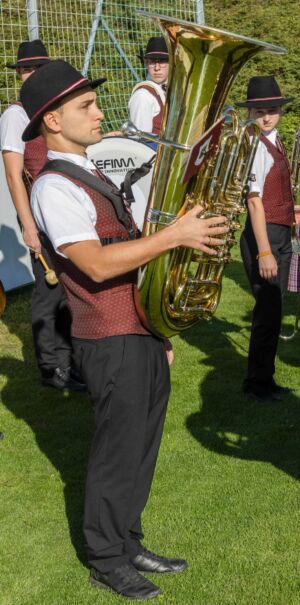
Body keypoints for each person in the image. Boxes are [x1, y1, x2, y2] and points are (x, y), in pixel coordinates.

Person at [20, 59, 228, 600]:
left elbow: (126, 254)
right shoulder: (52, 186)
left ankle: (129, 539)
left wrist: (158, 331)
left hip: (136, 332)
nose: (99, 112)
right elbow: (94, 265)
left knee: (141, 447)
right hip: (107, 338)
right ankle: (106, 558)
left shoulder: (88, 171)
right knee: (117, 453)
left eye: (95, 102)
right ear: (52, 121)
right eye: (85, 106)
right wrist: (176, 235)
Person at [0, 40, 85, 391]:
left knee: (72, 288)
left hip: (63, 206)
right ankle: (52, 368)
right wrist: (29, 225)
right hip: (39, 211)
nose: (31, 74)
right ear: (19, 74)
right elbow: (12, 173)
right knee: (49, 291)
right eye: (26, 69)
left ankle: (69, 360)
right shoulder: (15, 114)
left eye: (37, 68)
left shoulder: (53, 109)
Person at [237, 76, 295, 401]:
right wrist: (264, 252)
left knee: (273, 312)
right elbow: (254, 201)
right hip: (266, 236)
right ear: (251, 113)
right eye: (260, 112)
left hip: (279, 230)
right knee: (267, 312)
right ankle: (256, 384)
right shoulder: (256, 145)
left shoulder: (274, 138)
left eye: (272, 110)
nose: (267, 117)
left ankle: (265, 378)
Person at [128, 37, 169, 143]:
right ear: (146, 63)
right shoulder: (143, 95)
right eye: (152, 62)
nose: (157, 68)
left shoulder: (171, 90)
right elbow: (140, 140)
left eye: (163, 61)